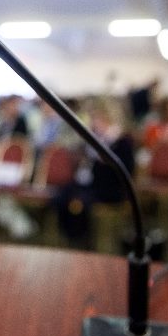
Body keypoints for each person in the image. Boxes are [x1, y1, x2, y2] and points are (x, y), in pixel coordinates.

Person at [53, 98, 135, 246]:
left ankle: (82, 241)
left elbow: (125, 171)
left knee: (79, 202)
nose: (93, 122)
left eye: (96, 118)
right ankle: (69, 237)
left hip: (110, 188)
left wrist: (101, 163)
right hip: (90, 184)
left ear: (107, 117)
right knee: (61, 196)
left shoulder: (121, 141)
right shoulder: (94, 139)